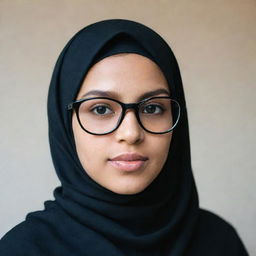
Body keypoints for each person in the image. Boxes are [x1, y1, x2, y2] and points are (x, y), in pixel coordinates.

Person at [0, 19, 248, 255]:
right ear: (65, 125)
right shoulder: (22, 250)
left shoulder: (220, 242)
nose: (131, 133)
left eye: (152, 108)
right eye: (101, 109)